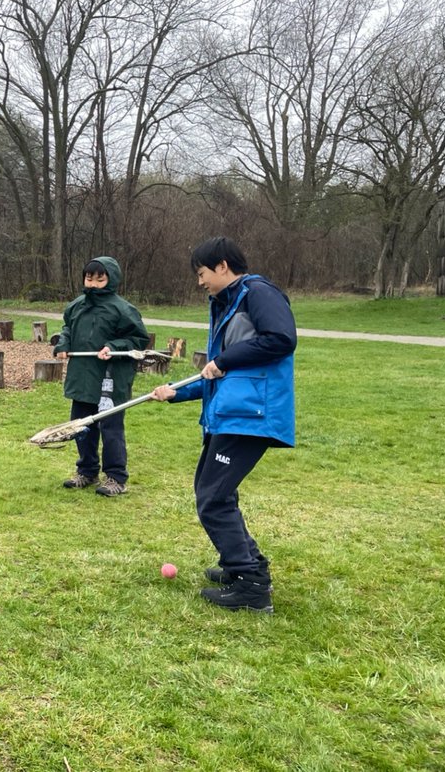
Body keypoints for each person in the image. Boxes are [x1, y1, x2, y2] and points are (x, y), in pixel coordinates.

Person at [150, 237, 296, 613]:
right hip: (232, 415)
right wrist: (176, 393)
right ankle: (243, 566)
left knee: (213, 499)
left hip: (252, 417)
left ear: (223, 266)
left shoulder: (258, 294)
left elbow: (281, 339)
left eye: (201, 273)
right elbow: (218, 373)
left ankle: (251, 586)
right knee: (214, 491)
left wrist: (225, 359)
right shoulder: (227, 304)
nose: (199, 282)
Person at [55, 256, 150, 496]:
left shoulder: (123, 309)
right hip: (82, 377)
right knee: (81, 426)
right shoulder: (77, 306)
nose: (94, 283)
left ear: (111, 279)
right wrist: (63, 343)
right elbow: (67, 328)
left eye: (100, 278)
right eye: (90, 278)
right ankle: (86, 471)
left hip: (111, 379)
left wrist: (113, 347)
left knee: (111, 428)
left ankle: (116, 477)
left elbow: (137, 340)